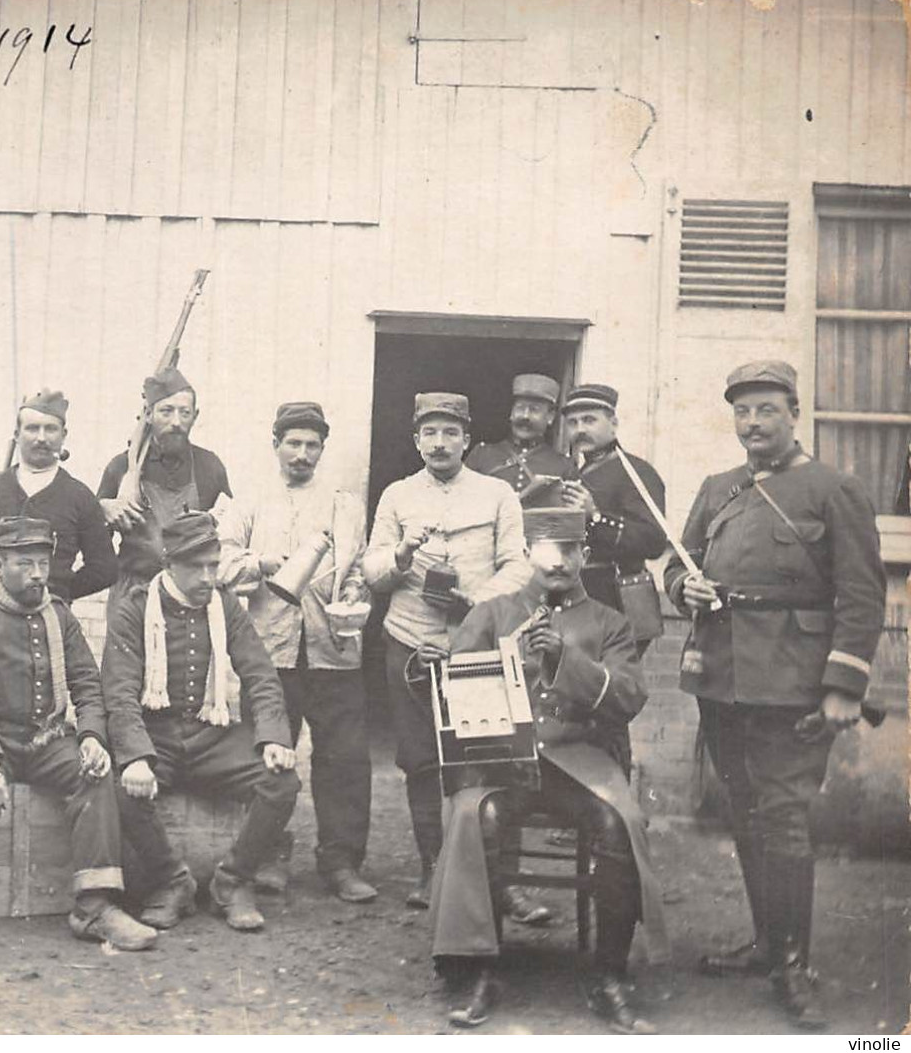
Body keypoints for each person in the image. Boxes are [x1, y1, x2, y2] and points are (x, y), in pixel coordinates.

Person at [665, 360, 886, 1030]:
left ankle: (793, 965)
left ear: (793, 411)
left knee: (784, 818)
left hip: (792, 681)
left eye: (765, 409)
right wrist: (685, 588)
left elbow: (860, 593)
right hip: (723, 677)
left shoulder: (832, 488)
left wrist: (842, 684)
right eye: (741, 411)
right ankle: (765, 943)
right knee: (744, 813)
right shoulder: (717, 488)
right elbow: (680, 561)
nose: (752, 423)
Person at [431, 508, 670, 1034]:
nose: (559, 563)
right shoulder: (492, 613)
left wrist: (568, 661)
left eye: (570, 551)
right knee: (475, 817)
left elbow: (629, 696)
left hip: (580, 762)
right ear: (526, 554)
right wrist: (494, 659)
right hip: (500, 765)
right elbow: (451, 688)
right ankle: (481, 968)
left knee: (618, 823)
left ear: (585, 555)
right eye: (546, 551)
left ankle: (609, 973)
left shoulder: (610, 623)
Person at [0, 516, 156, 952]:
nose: (37, 574)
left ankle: (94, 906)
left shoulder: (59, 617)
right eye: (24, 563)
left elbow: (88, 685)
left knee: (94, 775)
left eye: (43, 563)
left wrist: (91, 736)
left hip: (45, 738)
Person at [363, 392, 531, 910]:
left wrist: (477, 601)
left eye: (450, 433)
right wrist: (403, 553)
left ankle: (501, 879)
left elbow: (519, 567)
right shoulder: (396, 496)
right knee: (419, 761)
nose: (439, 443)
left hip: (476, 645)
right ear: (416, 441)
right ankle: (432, 870)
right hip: (410, 643)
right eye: (429, 433)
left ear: (467, 440)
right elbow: (372, 573)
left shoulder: (497, 493)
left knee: (490, 758)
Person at [102, 511, 302, 932]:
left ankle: (232, 882)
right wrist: (136, 757)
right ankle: (170, 882)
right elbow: (119, 694)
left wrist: (272, 738)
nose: (209, 577)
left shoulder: (225, 606)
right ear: (169, 562)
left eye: (214, 565)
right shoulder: (134, 609)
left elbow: (261, 675)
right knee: (122, 788)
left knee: (281, 781)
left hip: (212, 734)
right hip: (156, 736)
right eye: (197, 567)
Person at [217, 402, 376, 902]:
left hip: (334, 649)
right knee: (268, 754)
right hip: (269, 650)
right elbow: (219, 563)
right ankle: (268, 853)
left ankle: (341, 860)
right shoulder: (249, 501)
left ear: (322, 450)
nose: (302, 454)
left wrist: (354, 596)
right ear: (276, 446)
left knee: (344, 757)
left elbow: (359, 567)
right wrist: (262, 563)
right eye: (293, 443)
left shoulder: (345, 504)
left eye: (312, 445)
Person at [96, 368, 233, 625]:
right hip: (133, 596)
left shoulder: (210, 467)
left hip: (189, 598)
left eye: (185, 413)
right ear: (148, 414)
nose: (176, 422)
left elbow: (228, 538)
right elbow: (95, 544)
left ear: (195, 416)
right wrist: (103, 509)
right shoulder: (121, 467)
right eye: (166, 411)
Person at [0, 389, 117, 604]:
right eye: (32, 429)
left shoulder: (79, 497)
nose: (41, 438)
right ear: (17, 435)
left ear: (64, 435)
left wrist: (61, 591)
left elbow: (105, 568)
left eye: (50, 429)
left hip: (48, 619)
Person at [559, 384, 669, 656]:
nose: (580, 429)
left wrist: (594, 516)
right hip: (575, 599)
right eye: (573, 423)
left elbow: (654, 541)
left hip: (616, 601)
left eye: (589, 420)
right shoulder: (575, 472)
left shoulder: (636, 471)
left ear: (613, 424)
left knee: (608, 687)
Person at [465, 373, 578, 509]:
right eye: (520, 408)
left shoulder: (564, 465)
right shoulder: (481, 455)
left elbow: (569, 519)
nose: (525, 416)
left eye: (534, 410)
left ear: (550, 417)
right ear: (511, 413)